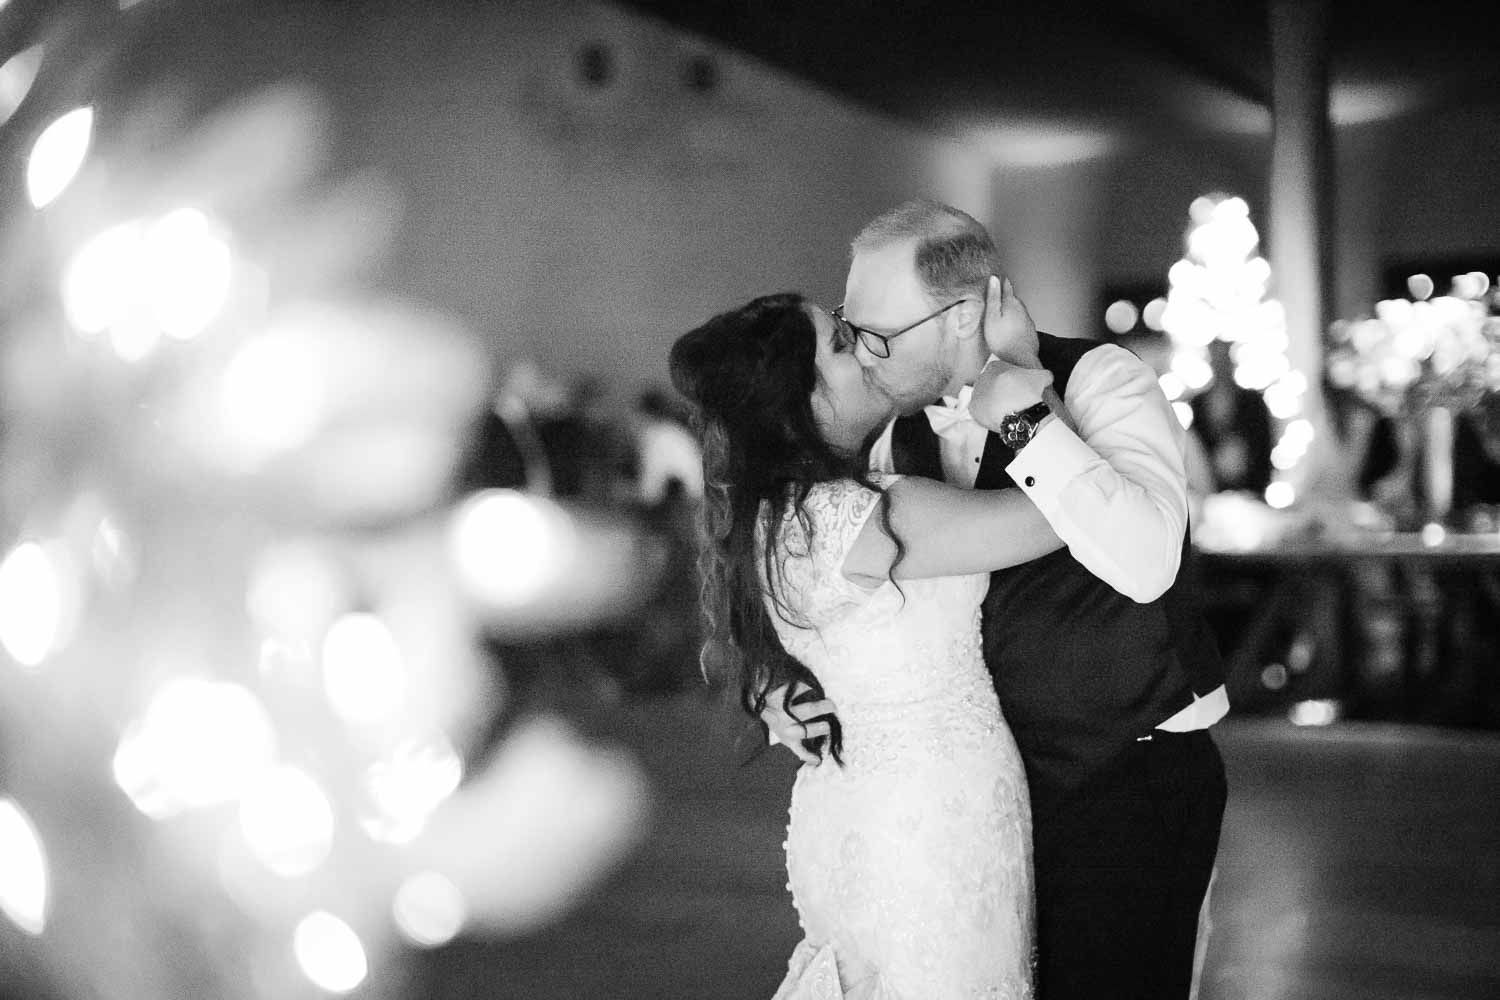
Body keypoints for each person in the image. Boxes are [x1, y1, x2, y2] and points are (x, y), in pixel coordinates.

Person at [762, 200, 1228, 999]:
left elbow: (1148, 562)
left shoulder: (1104, 381)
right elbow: (846, 593)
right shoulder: (888, 436)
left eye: (879, 332)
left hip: (1124, 780)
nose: (863, 355)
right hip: (977, 809)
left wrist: (1023, 418)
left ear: (963, 315)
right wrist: (785, 687)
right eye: (850, 327)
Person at [670, 292, 1068, 997]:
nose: (869, 347)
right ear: (803, 400)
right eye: (844, 345)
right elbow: (1062, 513)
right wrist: (1025, 368)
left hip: (861, 805)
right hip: (927, 822)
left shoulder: (778, 517)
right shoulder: (868, 515)